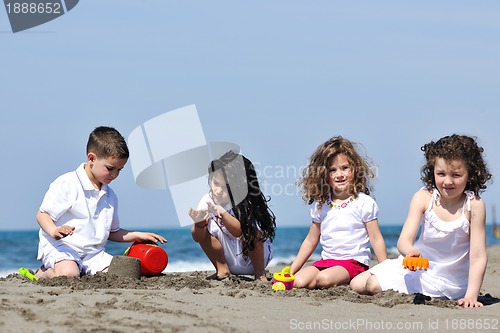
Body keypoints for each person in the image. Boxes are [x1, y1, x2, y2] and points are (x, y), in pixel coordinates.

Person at [350, 134, 492, 308]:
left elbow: (478, 256)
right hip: (419, 269)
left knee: (372, 285)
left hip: (451, 282)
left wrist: (471, 295)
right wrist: (410, 252)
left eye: (456, 175)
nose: (447, 181)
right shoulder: (424, 197)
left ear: (470, 174)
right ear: (432, 171)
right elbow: (404, 240)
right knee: (356, 283)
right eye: (441, 173)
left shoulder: (474, 205)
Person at [34, 126, 166, 279]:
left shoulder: (110, 196)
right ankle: (43, 273)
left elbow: (113, 232)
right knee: (69, 274)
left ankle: (79, 270)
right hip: (62, 247)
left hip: (94, 254)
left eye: (119, 170)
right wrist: (54, 231)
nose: (115, 175)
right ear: (91, 159)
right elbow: (42, 215)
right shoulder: (68, 183)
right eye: (110, 168)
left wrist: (137, 235)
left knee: (124, 273)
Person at [290, 136, 387, 289]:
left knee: (323, 279)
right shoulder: (321, 205)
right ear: (324, 175)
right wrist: (292, 270)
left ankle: (345, 280)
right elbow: (310, 240)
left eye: (344, 168)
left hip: (354, 263)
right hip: (327, 262)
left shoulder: (363, 202)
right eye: (332, 170)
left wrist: (384, 269)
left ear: (355, 169)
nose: (339, 174)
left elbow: (376, 238)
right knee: (298, 282)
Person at [188, 151, 277, 281]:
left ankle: (260, 274)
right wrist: (199, 223)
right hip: (228, 258)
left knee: (253, 231)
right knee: (206, 228)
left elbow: (238, 232)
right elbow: (198, 238)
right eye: (216, 184)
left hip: (254, 259)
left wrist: (223, 213)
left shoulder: (243, 202)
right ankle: (222, 270)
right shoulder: (207, 200)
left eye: (226, 188)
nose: (218, 191)